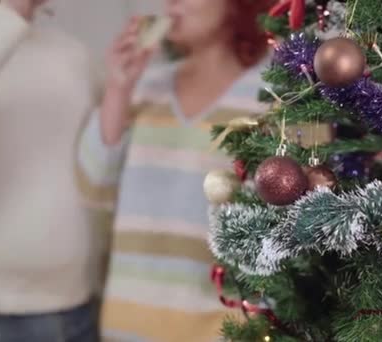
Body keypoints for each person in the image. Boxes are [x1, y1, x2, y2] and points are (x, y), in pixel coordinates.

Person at [0, 0, 147, 341]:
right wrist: (15, 11)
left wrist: (122, 85)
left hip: (78, 308)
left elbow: (103, 170)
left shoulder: (75, 55)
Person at [99, 0, 275, 341]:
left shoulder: (271, 97)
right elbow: (96, 190)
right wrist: (118, 88)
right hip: (127, 326)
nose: (171, 4)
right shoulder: (146, 85)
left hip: (225, 331)